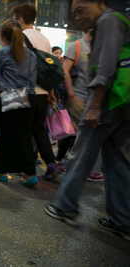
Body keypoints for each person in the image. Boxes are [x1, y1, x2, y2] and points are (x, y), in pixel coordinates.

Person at [44, 0, 130, 242]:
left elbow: (105, 69)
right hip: (122, 103)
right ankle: (122, 221)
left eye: (81, 11)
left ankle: (65, 206)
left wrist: (94, 107)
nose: (78, 18)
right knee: (117, 163)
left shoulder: (108, 21)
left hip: (104, 104)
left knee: (80, 155)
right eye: (74, 15)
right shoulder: (120, 21)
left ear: (99, 3)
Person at [13, 3, 60, 181]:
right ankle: (51, 164)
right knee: (39, 129)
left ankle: (26, 169)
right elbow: (51, 68)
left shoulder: (20, 36)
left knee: (23, 130)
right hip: (43, 92)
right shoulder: (45, 39)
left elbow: (18, 64)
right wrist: (51, 91)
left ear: (21, 19)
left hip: (26, 91)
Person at [0, 20, 38, 186]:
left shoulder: (1, 53)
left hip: (8, 96)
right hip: (27, 97)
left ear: (2, 37)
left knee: (3, 136)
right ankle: (30, 174)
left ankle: (1, 172)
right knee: (23, 137)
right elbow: (33, 79)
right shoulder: (30, 54)